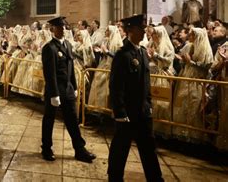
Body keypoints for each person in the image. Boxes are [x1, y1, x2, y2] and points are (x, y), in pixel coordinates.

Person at [107, 14, 163, 182]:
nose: (144, 31)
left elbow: (146, 83)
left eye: (145, 28)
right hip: (127, 113)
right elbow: (116, 87)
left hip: (143, 111)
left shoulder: (143, 52)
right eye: (141, 28)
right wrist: (120, 113)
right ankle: (115, 178)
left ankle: (156, 179)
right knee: (120, 148)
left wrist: (149, 104)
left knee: (148, 149)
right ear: (130, 30)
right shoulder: (123, 55)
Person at [41, 16, 96, 163]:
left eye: (65, 27)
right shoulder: (49, 48)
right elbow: (50, 73)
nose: (64, 30)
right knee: (49, 120)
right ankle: (46, 148)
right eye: (60, 27)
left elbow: (71, 68)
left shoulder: (68, 45)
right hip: (55, 91)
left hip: (68, 90)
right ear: (53, 29)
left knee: (72, 120)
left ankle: (80, 149)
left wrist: (75, 86)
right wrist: (54, 94)